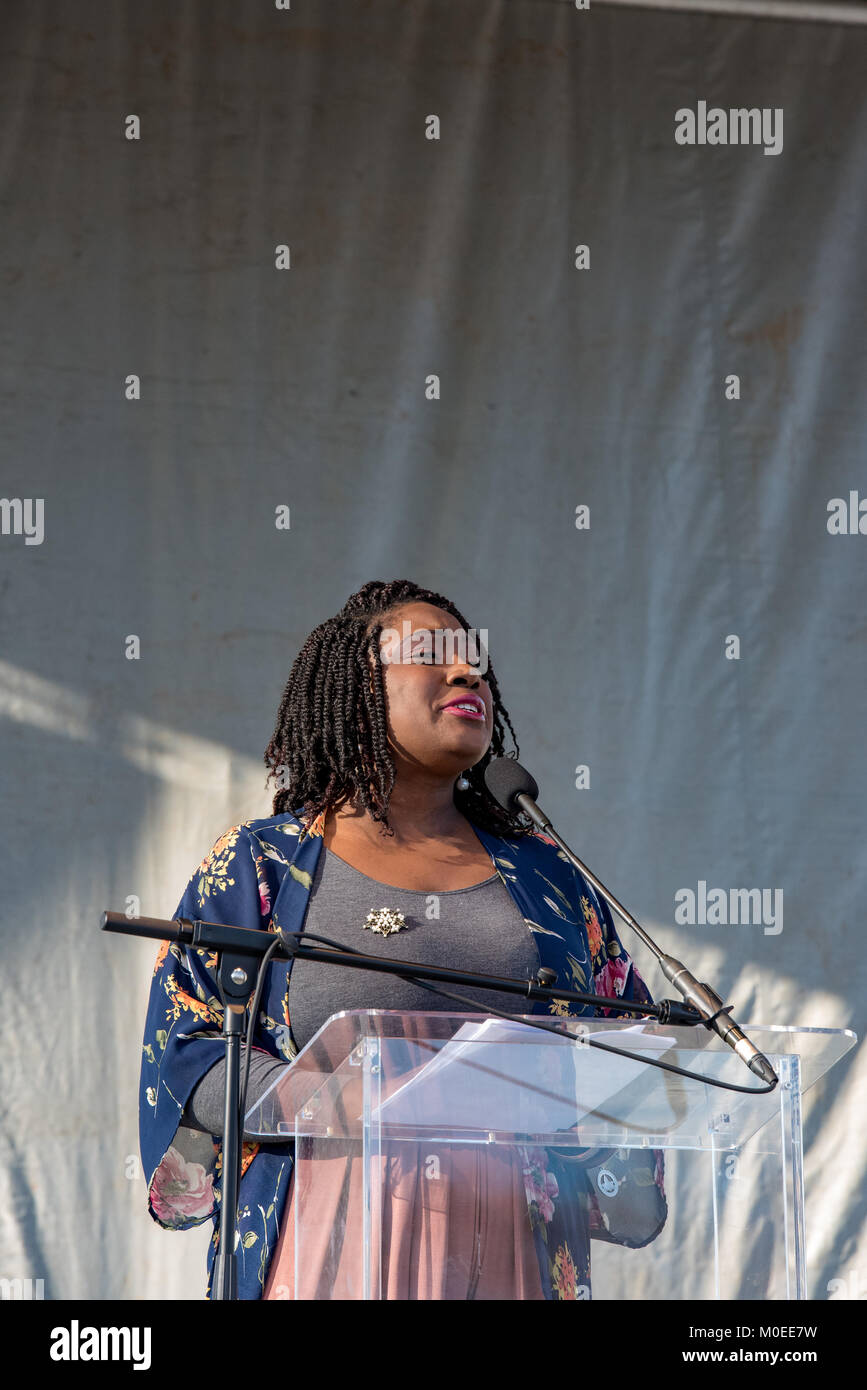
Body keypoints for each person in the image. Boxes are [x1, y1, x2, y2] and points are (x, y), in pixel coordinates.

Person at [139, 579, 666, 1300]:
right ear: (356, 691)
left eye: (472, 657)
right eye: (430, 653)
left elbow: (626, 1052)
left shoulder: (549, 877)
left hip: (511, 1253)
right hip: (323, 1249)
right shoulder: (263, 863)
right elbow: (187, 1049)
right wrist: (348, 1099)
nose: (465, 671)